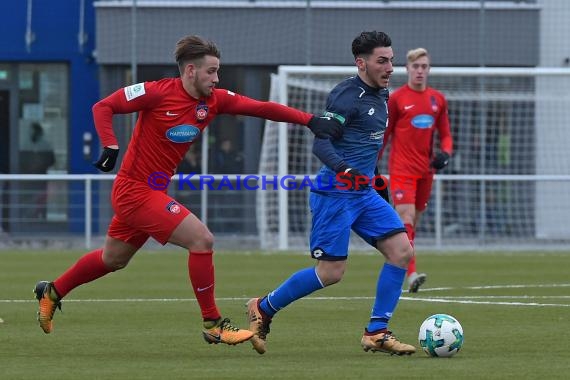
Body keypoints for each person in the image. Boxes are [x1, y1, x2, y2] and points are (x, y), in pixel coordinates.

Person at [33, 35, 342, 345]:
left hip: (152, 190)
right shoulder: (155, 92)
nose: (216, 79)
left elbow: (261, 108)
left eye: (218, 71)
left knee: (113, 259)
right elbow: (104, 106)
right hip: (133, 191)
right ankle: (213, 323)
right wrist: (110, 144)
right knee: (202, 239)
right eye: (211, 71)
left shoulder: (214, 100)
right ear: (190, 70)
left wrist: (310, 120)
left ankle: (52, 291)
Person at [247, 31, 416, 356]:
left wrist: (376, 182)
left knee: (402, 252)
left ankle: (376, 332)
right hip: (335, 193)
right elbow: (321, 142)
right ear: (361, 63)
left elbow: (368, 147)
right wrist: (345, 170)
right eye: (383, 61)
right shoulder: (344, 96)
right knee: (331, 273)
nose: (390, 67)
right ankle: (264, 306)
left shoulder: (382, 95)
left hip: (364, 192)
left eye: (392, 60)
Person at [381, 47, 453, 292]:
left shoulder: (437, 100)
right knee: (406, 218)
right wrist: (372, 165)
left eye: (424, 66)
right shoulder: (397, 98)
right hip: (401, 170)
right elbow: (385, 136)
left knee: (414, 223)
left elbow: (445, 135)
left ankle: (399, 258)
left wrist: (446, 154)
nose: (420, 71)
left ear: (428, 69)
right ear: (408, 69)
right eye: (416, 66)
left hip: (426, 172)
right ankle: (410, 274)